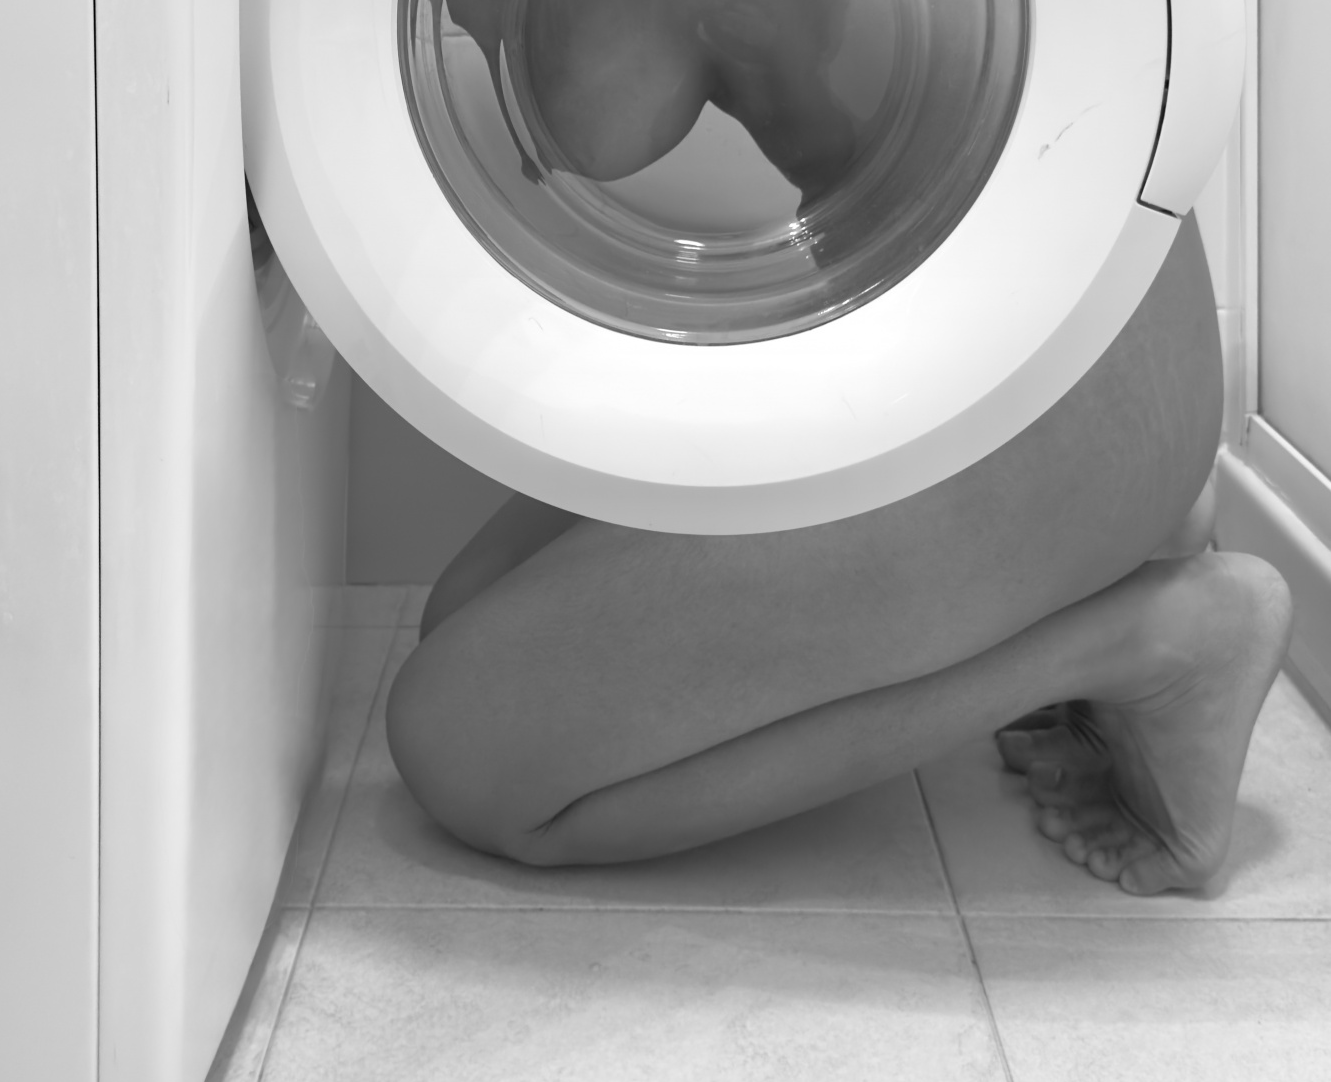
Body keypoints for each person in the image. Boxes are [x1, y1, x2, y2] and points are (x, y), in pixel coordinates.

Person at [386, 210, 1290, 897]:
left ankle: (1157, 633)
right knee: (465, 613)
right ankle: (1126, 539)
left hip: (1062, 406)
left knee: (463, 751)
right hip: (1043, 361)